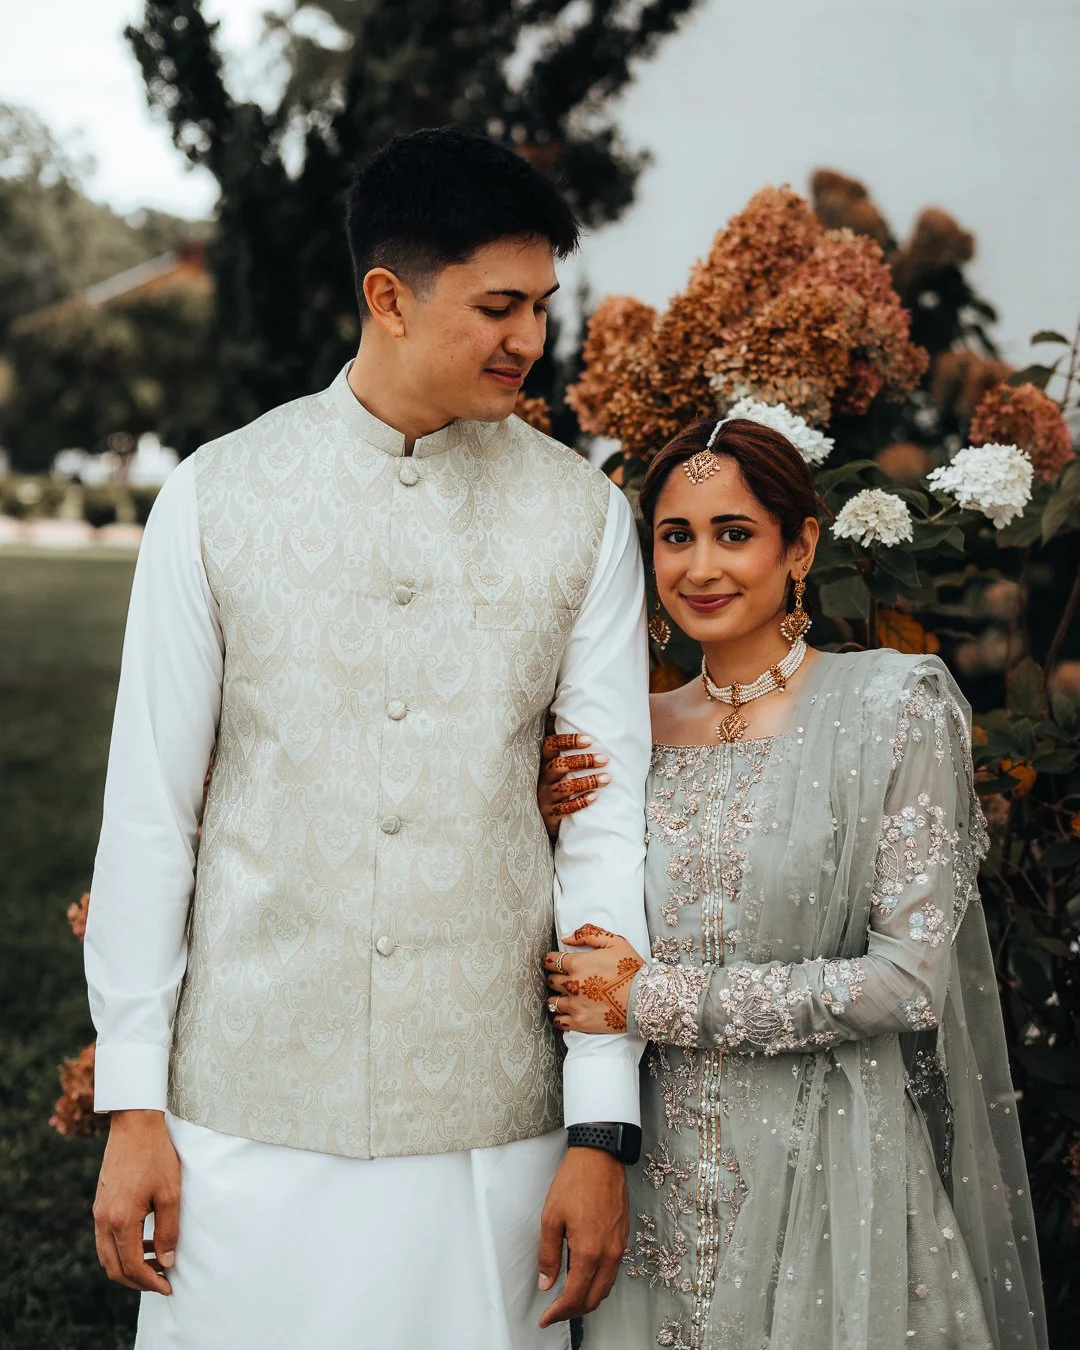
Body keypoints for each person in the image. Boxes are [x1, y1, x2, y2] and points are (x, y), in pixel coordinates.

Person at [84, 126, 652, 1350]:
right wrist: (134, 1104)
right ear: (387, 299)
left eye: (542, 306)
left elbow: (606, 835)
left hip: (488, 1136)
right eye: (499, 305)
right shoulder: (216, 495)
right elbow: (151, 812)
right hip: (242, 1117)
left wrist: (602, 1130)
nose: (529, 341)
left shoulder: (587, 522)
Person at [539, 414, 1046, 1348]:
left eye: (736, 534)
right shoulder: (619, 736)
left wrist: (655, 999)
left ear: (800, 545)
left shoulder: (891, 710)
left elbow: (905, 981)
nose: (702, 568)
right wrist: (530, 821)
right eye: (675, 536)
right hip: (655, 1191)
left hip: (831, 1168)